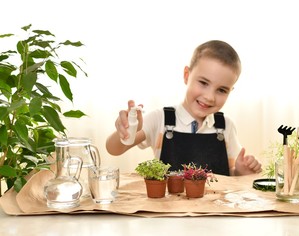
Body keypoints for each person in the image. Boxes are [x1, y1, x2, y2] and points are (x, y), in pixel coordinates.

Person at [106, 40, 262, 176]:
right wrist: (127, 130)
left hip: (214, 209)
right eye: (203, 83)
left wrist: (240, 172)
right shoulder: (160, 119)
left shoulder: (226, 126)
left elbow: (230, 175)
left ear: (230, 91)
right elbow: (114, 149)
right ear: (187, 75)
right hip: (169, 209)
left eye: (221, 90)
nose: (209, 97)